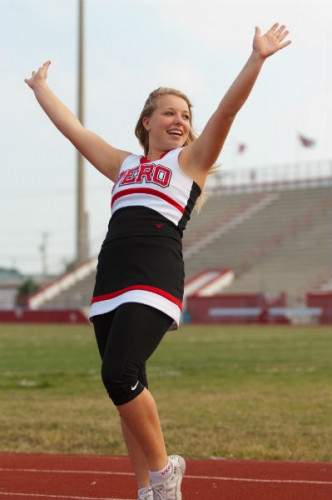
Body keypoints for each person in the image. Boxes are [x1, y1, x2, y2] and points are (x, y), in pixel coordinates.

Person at [25, 23, 291, 500]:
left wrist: (257, 59)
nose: (180, 121)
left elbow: (227, 110)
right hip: (111, 277)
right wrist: (42, 89)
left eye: (186, 116)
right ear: (146, 120)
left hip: (154, 275)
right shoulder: (123, 165)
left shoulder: (189, 164)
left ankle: (166, 473)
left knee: (119, 373)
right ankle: (148, 489)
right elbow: (75, 131)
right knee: (127, 386)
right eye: (169, 112)